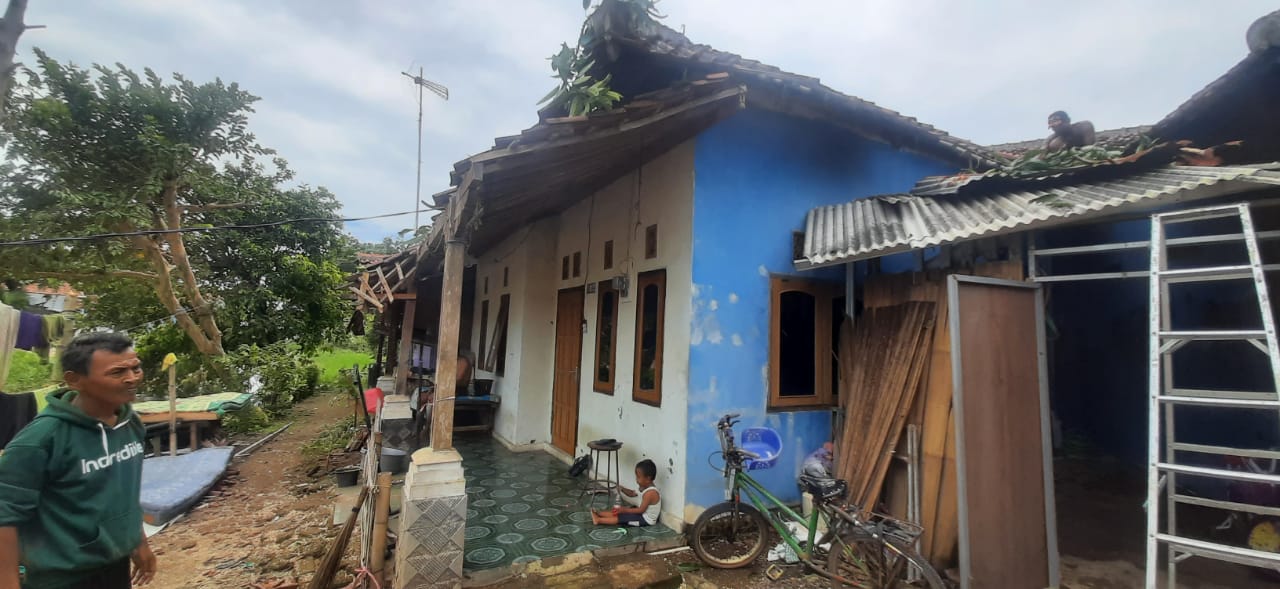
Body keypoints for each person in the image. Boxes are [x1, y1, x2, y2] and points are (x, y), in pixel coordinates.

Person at [0, 332, 156, 589]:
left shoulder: (130, 423)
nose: (131, 378)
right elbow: (5, 517)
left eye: (136, 368)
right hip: (61, 578)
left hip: (114, 566)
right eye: (117, 372)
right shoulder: (40, 441)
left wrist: (138, 542)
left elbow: (122, 493)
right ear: (74, 380)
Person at [591, 459, 662, 527]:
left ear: (648, 478)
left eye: (638, 477)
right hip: (641, 514)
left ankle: (598, 520)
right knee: (622, 512)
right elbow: (632, 493)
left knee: (623, 518)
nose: (636, 480)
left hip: (646, 520)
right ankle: (598, 514)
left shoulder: (651, 493)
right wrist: (622, 488)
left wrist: (624, 510)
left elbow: (641, 510)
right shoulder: (644, 487)